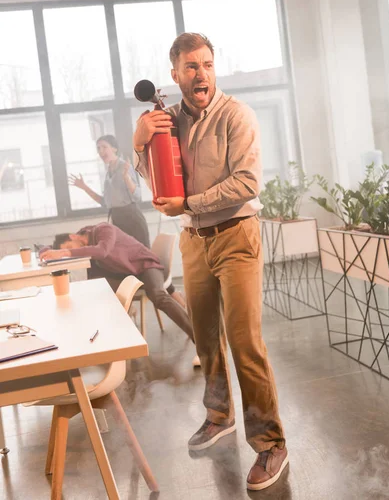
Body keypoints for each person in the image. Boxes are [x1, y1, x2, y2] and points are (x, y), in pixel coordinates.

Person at [133, 33, 288, 491]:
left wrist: (190, 203)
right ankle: (219, 416)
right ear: (175, 74)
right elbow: (158, 179)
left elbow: (247, 182)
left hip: (237, 235)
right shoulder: (168, 119)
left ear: (213, 67)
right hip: (193, 241)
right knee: (205, 340)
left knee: (246, 342)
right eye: (190, 67)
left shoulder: (236, 115)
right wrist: (139, 144)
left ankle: (270, 442)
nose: (200, 74)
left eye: (206, 64)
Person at [40, 222, 195, 344]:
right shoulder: (86, 245)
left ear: (73, 236)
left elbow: (102, 251)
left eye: (68, 247)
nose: (70, 252)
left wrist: (64, 252)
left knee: (157, 295)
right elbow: (46, 248)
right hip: (126, 275)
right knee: (95, 291)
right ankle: (106, 342)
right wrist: (46, 253)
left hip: (146, 266)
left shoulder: (103, 229)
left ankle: (198, 338)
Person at [69, 134, 150, 248]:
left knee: (140, 259)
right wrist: (84, 187)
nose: (101, 151)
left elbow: (137, 196)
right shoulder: (107, 174)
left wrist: (126, 178)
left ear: (114, 149)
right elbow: (105, 202)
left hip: (132, 220)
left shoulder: (125, 166)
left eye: (104, 147)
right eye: (98, 148)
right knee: (123, 260)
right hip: (117, 220)